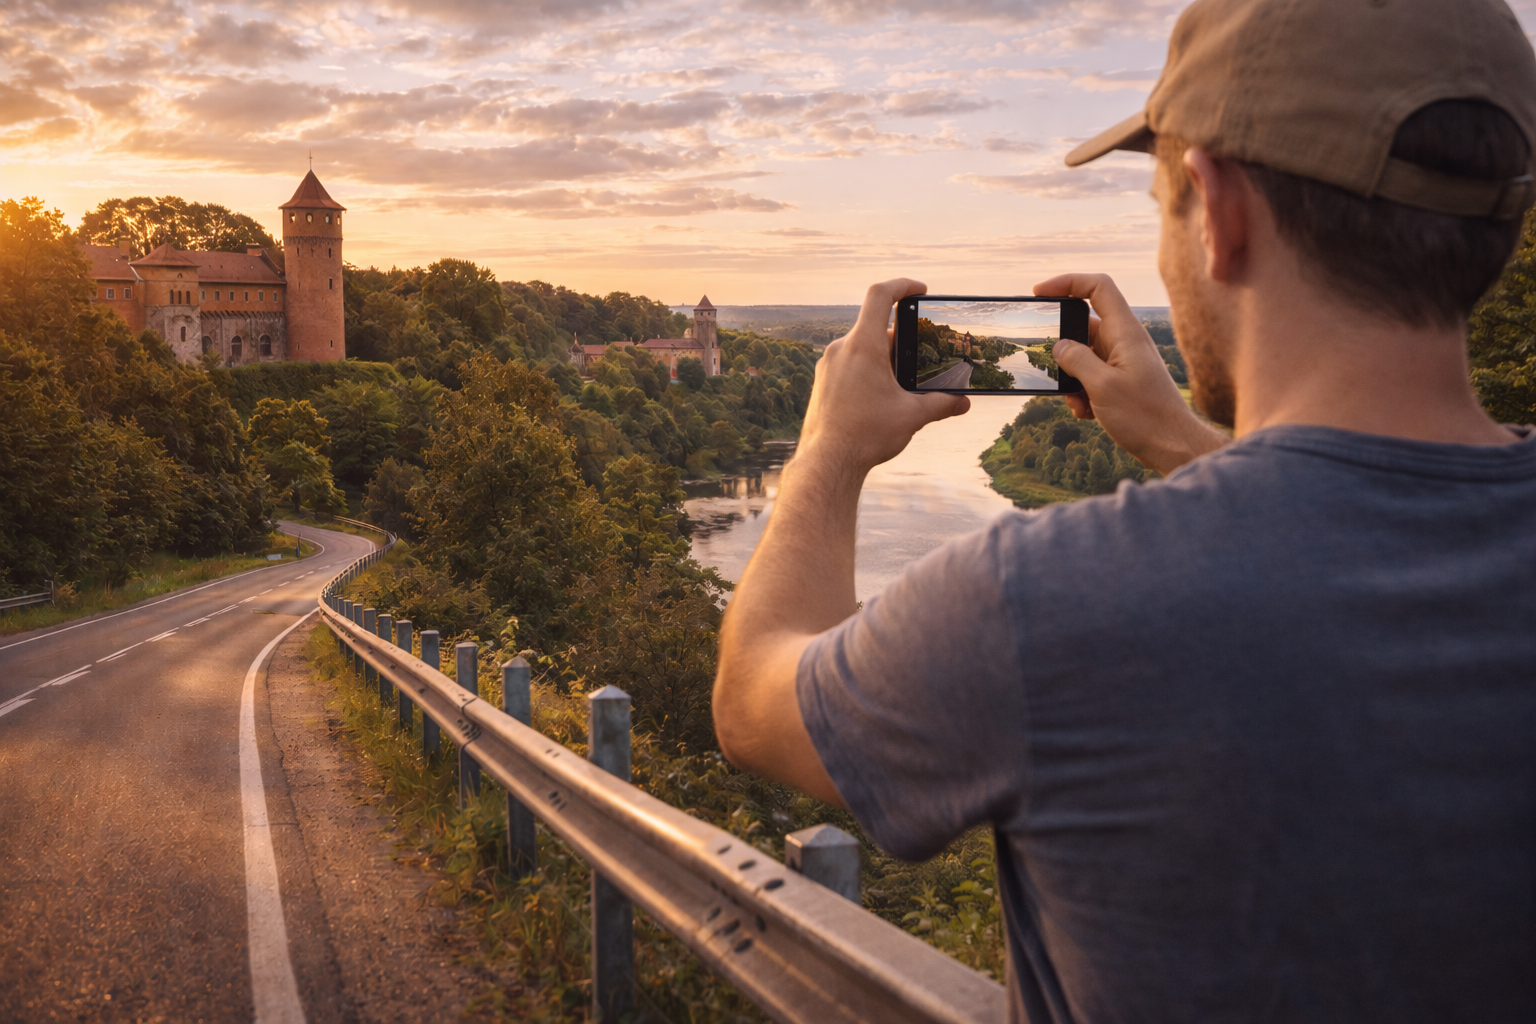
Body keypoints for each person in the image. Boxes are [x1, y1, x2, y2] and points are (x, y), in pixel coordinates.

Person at [711, 0, 1536, 1020]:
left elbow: (752, 699)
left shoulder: (1045, 602)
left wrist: (826, 453)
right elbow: (1348, 526)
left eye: (1161, 201)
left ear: (1219, 210)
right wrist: (1181, 440)